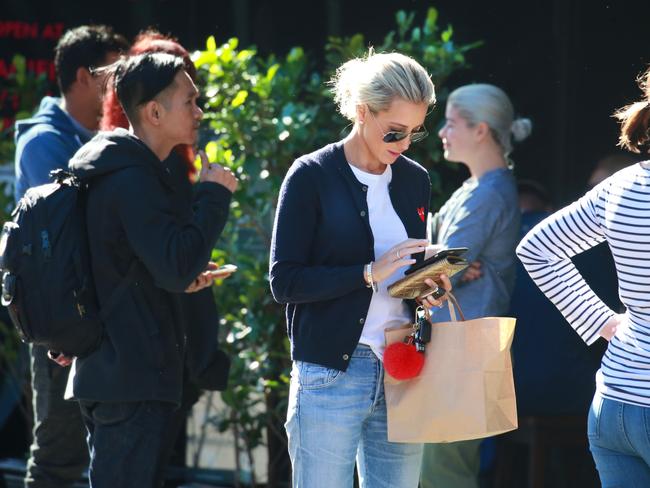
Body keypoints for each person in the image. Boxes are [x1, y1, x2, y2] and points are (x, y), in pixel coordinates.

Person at [269, 50, 449, 488]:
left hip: (403, 368)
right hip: (331, 373)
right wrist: (368, 272)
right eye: (395, 131)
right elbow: (284, 281)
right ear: (362, 112)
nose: (404, 144)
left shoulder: (414, 179)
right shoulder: (311, 175)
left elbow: (402, 278)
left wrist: (426, 287)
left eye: (414, 132)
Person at [64, 52, 238, 488]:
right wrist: (213, 196)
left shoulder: (121, 170)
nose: (199, 112)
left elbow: (148, 268)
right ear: (154, 112)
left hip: (119, 375)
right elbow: (176, 266)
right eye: (190, 102)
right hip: (131, 381)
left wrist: (187, 276)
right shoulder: (131, 178)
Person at [516, 67, 650, 486]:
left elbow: (536, 248)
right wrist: (603, 321)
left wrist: (604, 324)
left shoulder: (622, 185)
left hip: (614, 402)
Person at [12, 25, 128, 488]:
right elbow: (73, 234)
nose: (120, 85)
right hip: (62, 323)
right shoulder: (44, 143)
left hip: (103, 316)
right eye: (113, 73)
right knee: (60, 454)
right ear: (84, 76)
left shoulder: (107, 136)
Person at [420, 84, 531, 488]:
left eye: (450, 123)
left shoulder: (489, 192)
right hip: (461, 345)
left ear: (480, 130)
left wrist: (437, 266)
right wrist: (443, 264)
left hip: (464, 348)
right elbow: (441, 261)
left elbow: (434, 271)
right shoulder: (477, 188)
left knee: (443, 474)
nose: (443, 132)